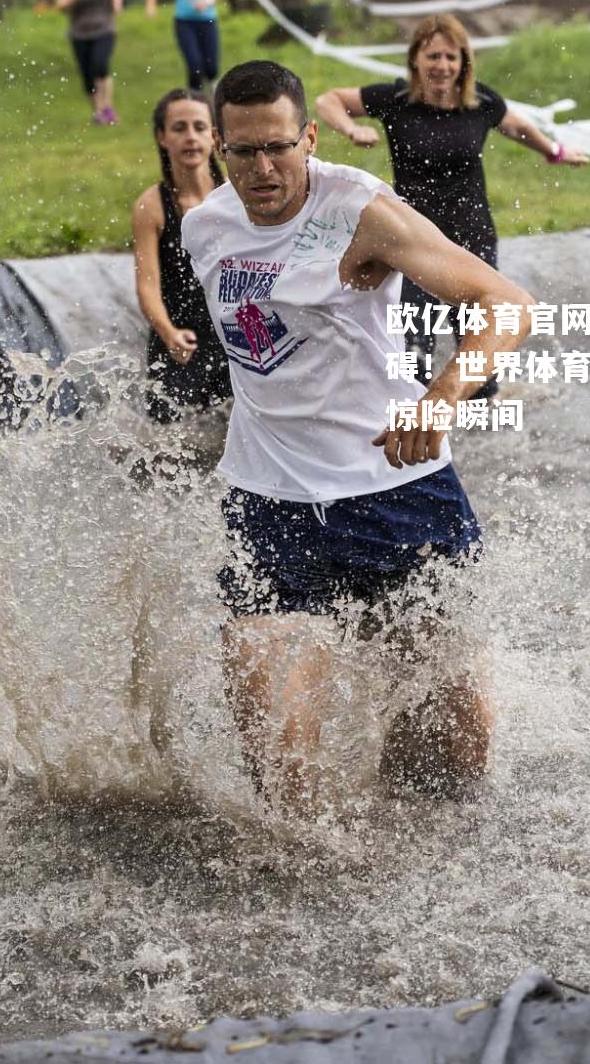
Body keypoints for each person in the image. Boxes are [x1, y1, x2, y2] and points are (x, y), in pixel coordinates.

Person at [185, 60, 538, 814]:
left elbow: (506, 305)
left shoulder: (363, 210)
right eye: (243, 152)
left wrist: (441, 398)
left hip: (397, 488)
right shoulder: (204, 225)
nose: (264, 168)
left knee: (451, 767)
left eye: (280, 147)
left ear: (309, 136)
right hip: (270, 498)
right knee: (279, 774)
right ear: (219, 147)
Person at [314, 13, 589, 385]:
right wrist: (350, 128)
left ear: (463, 64)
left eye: (450, 57)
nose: (442, 66)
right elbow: (328, 99)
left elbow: (518, 127)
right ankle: (417, 428)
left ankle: (482, 430)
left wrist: (553, 151)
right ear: (415, 60)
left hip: (471, 237)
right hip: (411, 241)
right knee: (413, 353)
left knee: (478, 357)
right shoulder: (394, 100)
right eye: (433, 56)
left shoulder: (480, 103)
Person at [132, 89, 233, 424]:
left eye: (200, 127)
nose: (191, 137)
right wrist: (168, 333)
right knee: (169, 444)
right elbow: (147, 285)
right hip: (180, 340)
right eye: (179, 128)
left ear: (215, 136)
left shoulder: (237, 195)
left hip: (235, 332)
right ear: (162, 137)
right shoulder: (151, 206)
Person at [56, 0, 121, 125]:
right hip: (80, 32)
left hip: (104, 28)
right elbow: (61, 5)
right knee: (87, 75)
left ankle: (107, 107)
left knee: (100, 65)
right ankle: (97, 111)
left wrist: (117, 0)